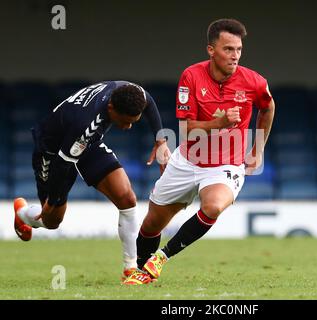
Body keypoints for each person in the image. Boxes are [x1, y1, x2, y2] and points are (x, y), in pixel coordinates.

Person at [124, 18, 275, 285]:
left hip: (225, 165)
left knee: (213, 206)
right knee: (151, 225)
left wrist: (258, 148)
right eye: (228, 49)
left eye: (239, 49)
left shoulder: (253, 81)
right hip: (188, 160)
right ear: (211, 50)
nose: (235, 55)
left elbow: (268, 106)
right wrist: (220, 123)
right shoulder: (191, 76)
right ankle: (139, 273)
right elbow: (186, 129)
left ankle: (162, 257)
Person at [13, 81, 171, 283]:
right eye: (126, 121)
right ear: (111, 108)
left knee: (127, 198)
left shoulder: (124, 91)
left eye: (134, 121)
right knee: (51, 219)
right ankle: (22, 213)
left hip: (86, 144)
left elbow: (147, 97)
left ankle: (130, 269)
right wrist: (52, 202)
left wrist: (160, 140)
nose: (129, 126)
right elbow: (63, 165)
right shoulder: (86, 124)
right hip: (53, 151)